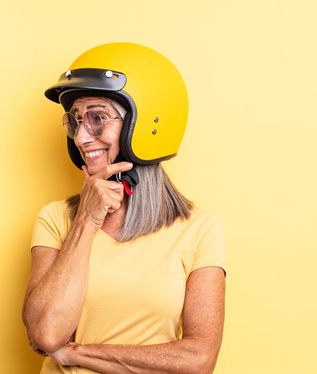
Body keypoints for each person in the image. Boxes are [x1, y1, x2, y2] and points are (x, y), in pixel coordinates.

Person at [22, 42, 227, 374]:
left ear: (147, 123)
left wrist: (76, 354)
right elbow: (46, 333)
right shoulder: (56, 220)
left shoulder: (199, 229)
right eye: (75, 121)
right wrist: (87, 219)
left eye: (97, 118)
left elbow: (198, 359)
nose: (81, 138)